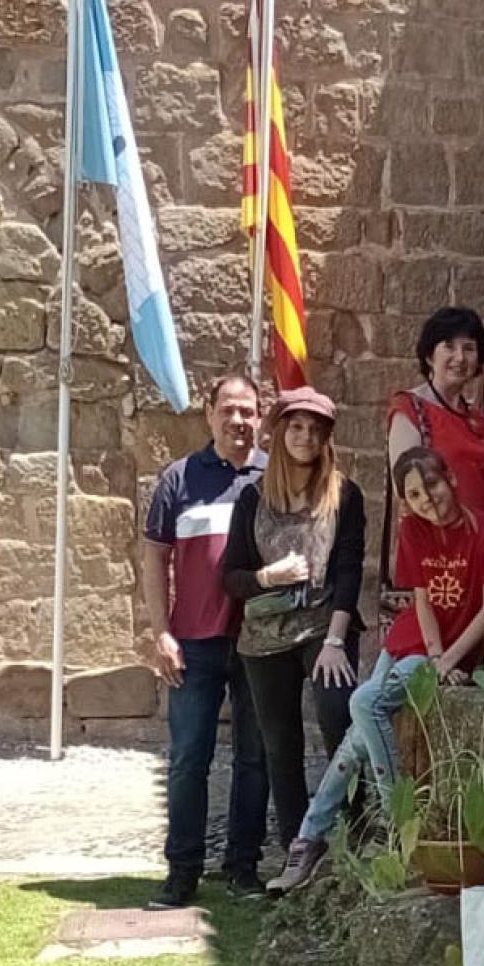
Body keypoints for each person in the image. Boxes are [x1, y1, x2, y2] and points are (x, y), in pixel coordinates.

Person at [268, 448, 484, 893]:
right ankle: (311, 838)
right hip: (411, 641)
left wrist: (447, 660)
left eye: (434, 486)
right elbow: (421, 600)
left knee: (364, 703)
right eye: (415, 495)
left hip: (451, 648)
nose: (428, 501)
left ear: (451, 480)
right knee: (356, 737)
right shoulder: (413, 530)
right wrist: (436, 652)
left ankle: (395, 821)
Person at [140, 374, 269, 908]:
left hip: (260, 641)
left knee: (254, 758)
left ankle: (243, 868)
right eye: (229, 410)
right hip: (193, 641)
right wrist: (160, 632)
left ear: (260, 418)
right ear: (209, 415)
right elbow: (154, 558)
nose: (238, 420)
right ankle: (183, 872)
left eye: (248, 411)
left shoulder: (273, 478)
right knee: (189, 758)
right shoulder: (179, 478)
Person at [222, 388, 366, 852]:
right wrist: (268, 575)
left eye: (315, 429)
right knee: (280, 745)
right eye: (297, 427)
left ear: (326, 437)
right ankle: (295, 848)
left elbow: (349, 569)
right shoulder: (252, 499)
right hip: (265, 635)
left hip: (326, 627)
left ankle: (353, 833)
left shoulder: (345, 495)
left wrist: (337, 641)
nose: (305, 436)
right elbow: (231, 577)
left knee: (337, 716)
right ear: (281, 432)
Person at [386, 305, 484, 521]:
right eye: (449, 347)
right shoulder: (410, 409)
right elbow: (407, 488)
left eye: (469, 348)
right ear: (429, 356)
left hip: (483, 541)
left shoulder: (480, 419)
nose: (460, 358)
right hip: (439, 544)